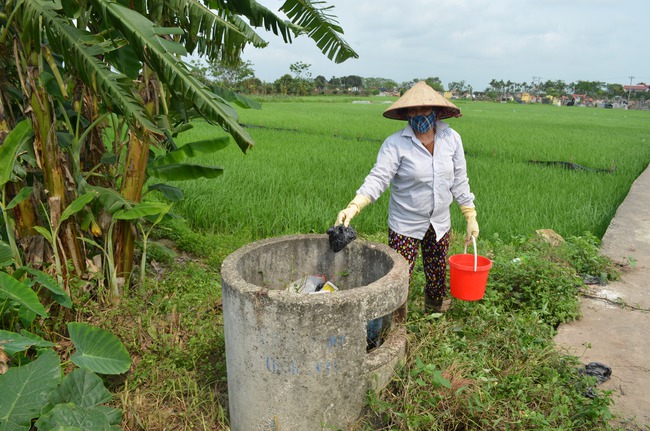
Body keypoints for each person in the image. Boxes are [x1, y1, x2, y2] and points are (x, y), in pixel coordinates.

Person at [335, 81, 479, 314]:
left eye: (424, 110)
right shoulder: (395, 144)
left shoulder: (451, 139)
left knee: (437, 273)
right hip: (405, 224)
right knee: (401, 277)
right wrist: (355, 205)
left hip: (440, 222)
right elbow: (378, 178)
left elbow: (460, 179)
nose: (419, 115)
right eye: (412, 111)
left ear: (436, 112)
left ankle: (434, 315)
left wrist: (469, 214)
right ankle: (396, 324)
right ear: (405, 114)